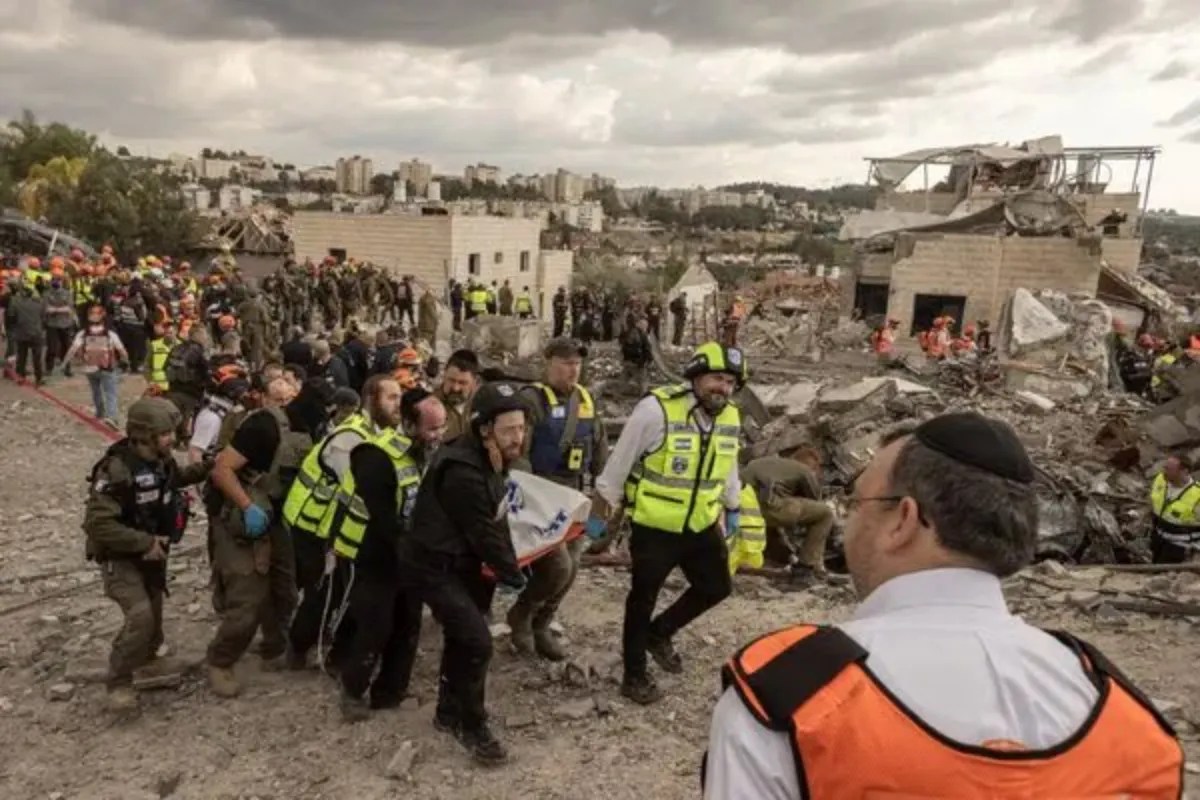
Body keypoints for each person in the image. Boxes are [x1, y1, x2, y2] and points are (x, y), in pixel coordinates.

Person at [703, 412, 1185, 799]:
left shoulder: (787, 699)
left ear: (903, 520)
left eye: (858, 503)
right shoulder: (1125, 717)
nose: (848, 524)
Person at [593, 342, 744, 704]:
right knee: (642, 600)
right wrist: (599, 516)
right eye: (716, 378)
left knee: (717, 587)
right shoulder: (656, 410)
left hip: (700, 525)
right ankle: (634, 675)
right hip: (654, 527)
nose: (722, 388)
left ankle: (659, 633)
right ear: (695, 376)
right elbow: (619, 464)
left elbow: (728, 466)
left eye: (729, 382)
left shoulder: (730, 417)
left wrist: (733, 505)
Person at [395, 383, 529, 764]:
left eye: (521, 428)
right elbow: (484, 531)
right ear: (485, 429)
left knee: (461, 636)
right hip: (433, 566)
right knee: (476, 642)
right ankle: (473, 726)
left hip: (459, 563)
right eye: (508, 430)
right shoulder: (463, 471)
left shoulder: (489, 457)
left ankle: (448, 711)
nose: (517, 437)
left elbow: (496, 517)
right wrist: (514, 574)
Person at [84, 397, 211, 712]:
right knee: (140, 616)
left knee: (153, 618)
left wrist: (209, 467)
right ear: (145, 435)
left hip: (152, 554)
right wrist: (144, 543)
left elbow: (175, 479)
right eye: (165, 434)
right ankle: (119, 681)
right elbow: (98, 524)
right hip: (121, 557)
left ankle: (148, 659)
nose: (172, 439)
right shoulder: (116, 470)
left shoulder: (161, 460)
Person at [333, 388, 447, 720]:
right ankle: (352, 690)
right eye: (431, 428)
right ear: (409, 424)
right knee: (376, 624)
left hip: (407, 553)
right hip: (373, 553)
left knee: (408, 624)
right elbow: (384, 520)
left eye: (441, 427)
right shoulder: (375, 457)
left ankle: (391, 690)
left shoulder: (426, 454)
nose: (438, 435)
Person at [285, 375, 404, 668]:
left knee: (336, 589)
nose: (398, 404)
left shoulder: (377, 432)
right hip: (313, 523)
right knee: (322, 591)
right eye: (391, 398)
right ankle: (299, 647)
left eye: (399, 397)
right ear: (371, 400)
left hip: (334, 525)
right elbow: (355, 487)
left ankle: (323, 641)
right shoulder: (351, 438)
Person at [204, 376, 309, 698]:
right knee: (247, 598)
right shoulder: (258, 426)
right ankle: (221, 661)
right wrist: (247, 506)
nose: (283, 406)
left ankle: (274, 648)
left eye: (288, 399)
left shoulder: (305, 429)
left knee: (284, 588)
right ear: (264, 398)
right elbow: (221, 469)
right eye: (277, 400)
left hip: (275, 515)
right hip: (239, 517)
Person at [509, 339, 609, 661]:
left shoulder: (586, 399)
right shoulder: (532, 400)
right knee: (558, 566)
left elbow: (599, 446)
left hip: (575, 495)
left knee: (573, 565)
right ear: (548, 362)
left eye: (577, 363)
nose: (573, 370)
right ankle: (522, 614)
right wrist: (529, 496)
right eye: (566, 363)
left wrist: (605, 491)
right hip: (541, 495)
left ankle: (543, 622)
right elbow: (518, 453)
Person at [62, 304, 128, 426]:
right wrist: (126, 361)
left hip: (90, 367)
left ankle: (100, 413)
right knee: (110, 392)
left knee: (96, 391)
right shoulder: (110, 334)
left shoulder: (83, 333)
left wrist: (64, 363)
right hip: (107, 367)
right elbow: (122, 350)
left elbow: (72, 350)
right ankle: (112, 417)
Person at [1148, 455, 1200, 564]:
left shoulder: (1197, 495)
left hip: (1178, 548)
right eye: (1165, 467)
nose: (1165, 472)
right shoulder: (1161, 480)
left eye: (1170, 469)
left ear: (1184, 471)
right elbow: (1152, 501)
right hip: (1158, 540)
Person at [435, 349, 480, 442]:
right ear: (444, 375)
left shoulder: (481, 407)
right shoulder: (429, 406)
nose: (456, 388)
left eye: (462, 383)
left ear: (474, 382)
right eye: (451, 380)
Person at [9, 284, 46, 386]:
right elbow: (43, 317)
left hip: (21, 333)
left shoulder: (16, 303)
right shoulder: (39, 303)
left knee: (22, 357)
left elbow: (11, 317)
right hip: (36, 333)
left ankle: (21, 378)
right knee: (37, 357)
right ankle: (38, 378)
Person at [42, 274, 76, 376]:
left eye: (58, 280)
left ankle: (67, 368)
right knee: (51, 348)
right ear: (51, 282)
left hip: (66, 324)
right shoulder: (47, 294)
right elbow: (46, 309)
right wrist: (61, 308)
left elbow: (69, 308)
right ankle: (49, 368)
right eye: (54, 280)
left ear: (62, 282)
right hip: (52, 325)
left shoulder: (68, 293)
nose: (56, 282)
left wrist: (55, 309)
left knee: (66, 348)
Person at [621, 317, 654, 393]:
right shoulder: (641, 335)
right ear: (638, 324)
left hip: (628, 360)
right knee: (643, 379)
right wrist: (649, 359)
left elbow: (624, 347)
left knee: (625, 377)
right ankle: (643, 395)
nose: (645, 326)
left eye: (646, 325)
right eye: (644, 325)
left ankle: (622, 391)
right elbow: (647, 349)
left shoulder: (630, 332)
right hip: (637, 362)